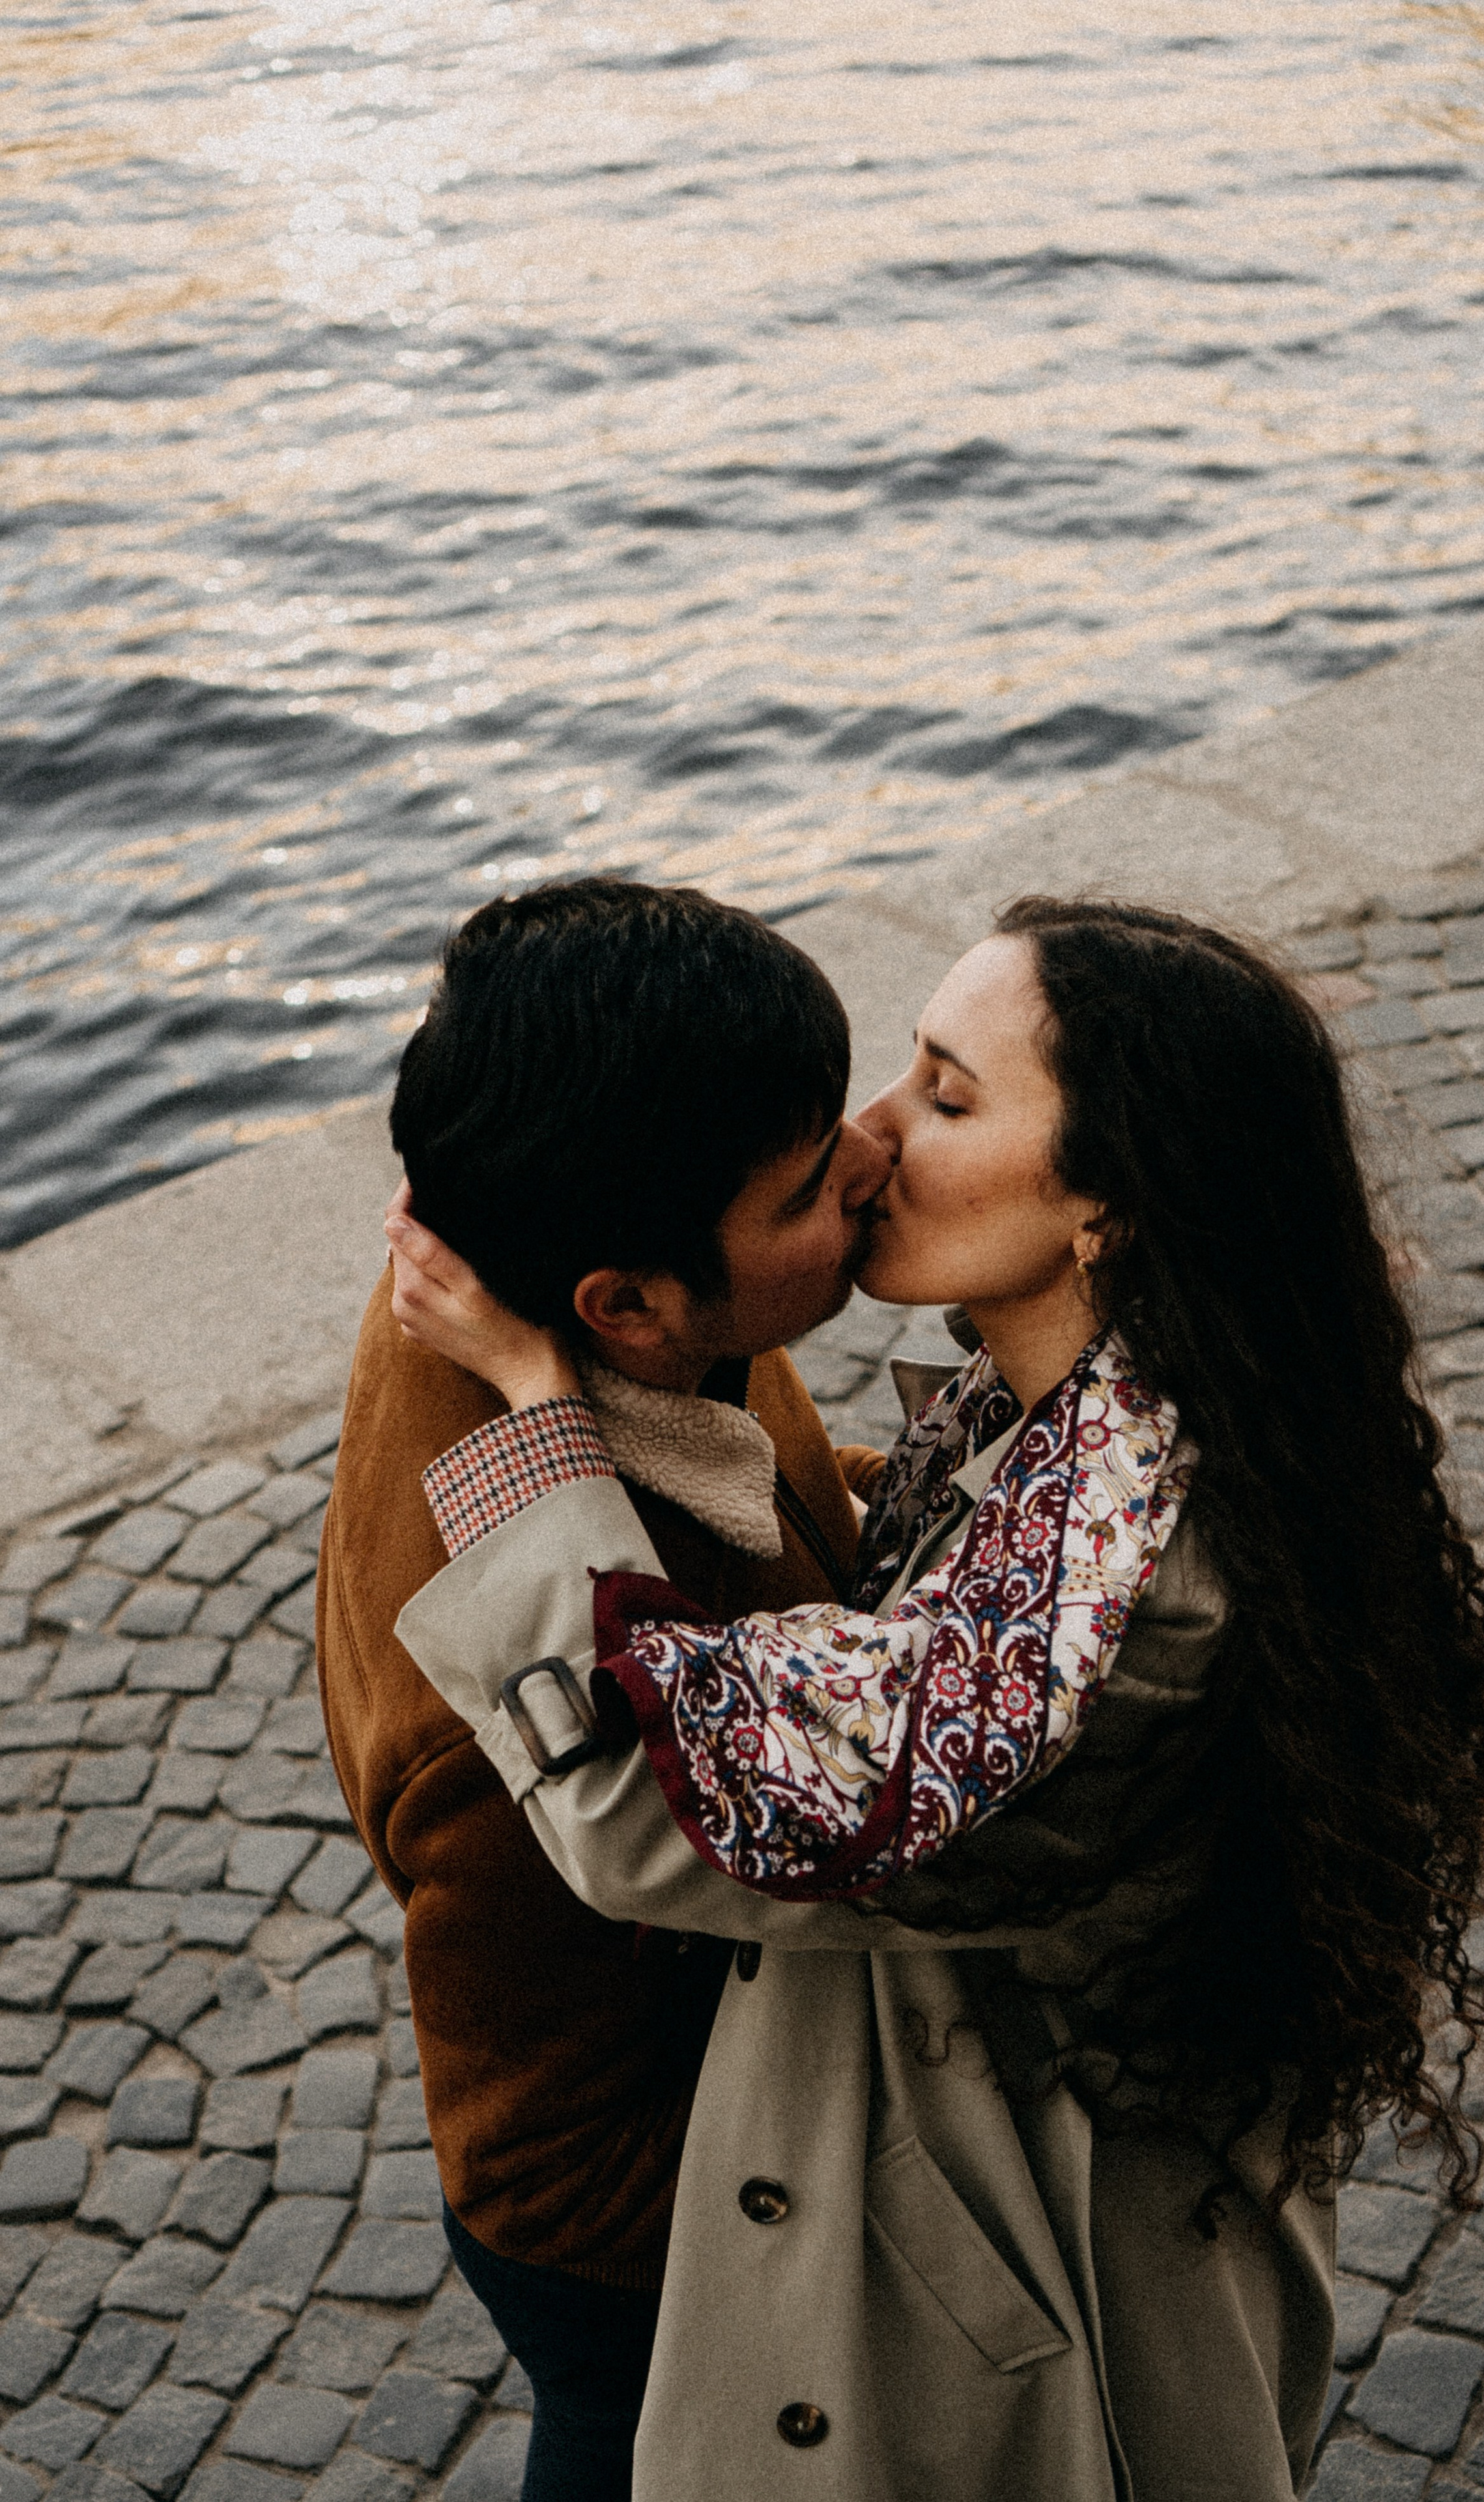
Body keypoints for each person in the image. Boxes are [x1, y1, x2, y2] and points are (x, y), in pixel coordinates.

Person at [390, 896, 1484, 2502]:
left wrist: (538, 1416)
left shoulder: (1129, 1588)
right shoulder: (1121, 1413)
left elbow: (644, 1815)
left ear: (1108, 1209)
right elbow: (921, 1591)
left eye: (948, 1098)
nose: (873, 1140)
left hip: (1022, 2296)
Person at [315, 878, 894, 2502]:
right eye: (803, 1190)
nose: (868, 1165)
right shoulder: (505, 1736)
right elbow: (542, 2162)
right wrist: (825, 2247)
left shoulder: (528, 1236)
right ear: (626, 1310)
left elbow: (768, 1492)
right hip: (634, 2242)